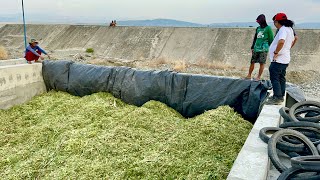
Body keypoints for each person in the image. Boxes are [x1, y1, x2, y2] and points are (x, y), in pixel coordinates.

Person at [266, 13, 295, 105]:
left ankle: (277, 97)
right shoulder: (289, 29)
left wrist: (276, 52)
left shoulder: (282, 29)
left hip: (279, 59)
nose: (274, 24)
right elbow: (295, 39)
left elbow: (281, 41)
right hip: (285, 59)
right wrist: (287, 49)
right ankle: (281, 95)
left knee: (275, 77)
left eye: (274, 22)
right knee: (281, 77)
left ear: (277, 22)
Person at [245, 14, 274, 80]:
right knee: (252, 62)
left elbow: (271, 39)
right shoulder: (258, 28)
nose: (257, 22)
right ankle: (249, 75)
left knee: (262, 63)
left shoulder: (268, 28)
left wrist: (267, 47)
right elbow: (255, 38)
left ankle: (258, 77)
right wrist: (252, 47)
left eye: (258, 21)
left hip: (263, 49)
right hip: (256, 48)